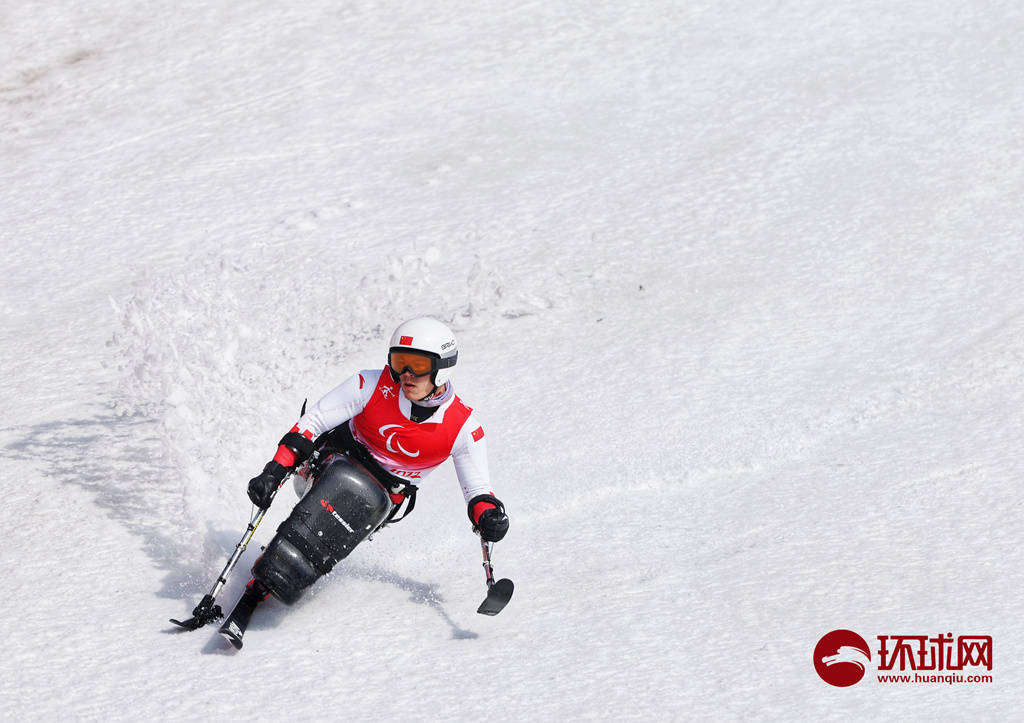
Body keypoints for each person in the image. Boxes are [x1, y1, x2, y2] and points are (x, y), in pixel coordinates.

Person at [218, 316, 509, 648]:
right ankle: (257, 588)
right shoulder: (370, 385)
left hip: (382, 498)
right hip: (332, 459)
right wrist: (274, 471)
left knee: (359, 499)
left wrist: (489, 517)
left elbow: (478, 493)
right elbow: (311, 423)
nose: (406, 376)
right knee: (347, 486)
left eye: (417, 365)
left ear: (442, 368)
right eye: (399, 363)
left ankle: (273, 583)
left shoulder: (463, 428)